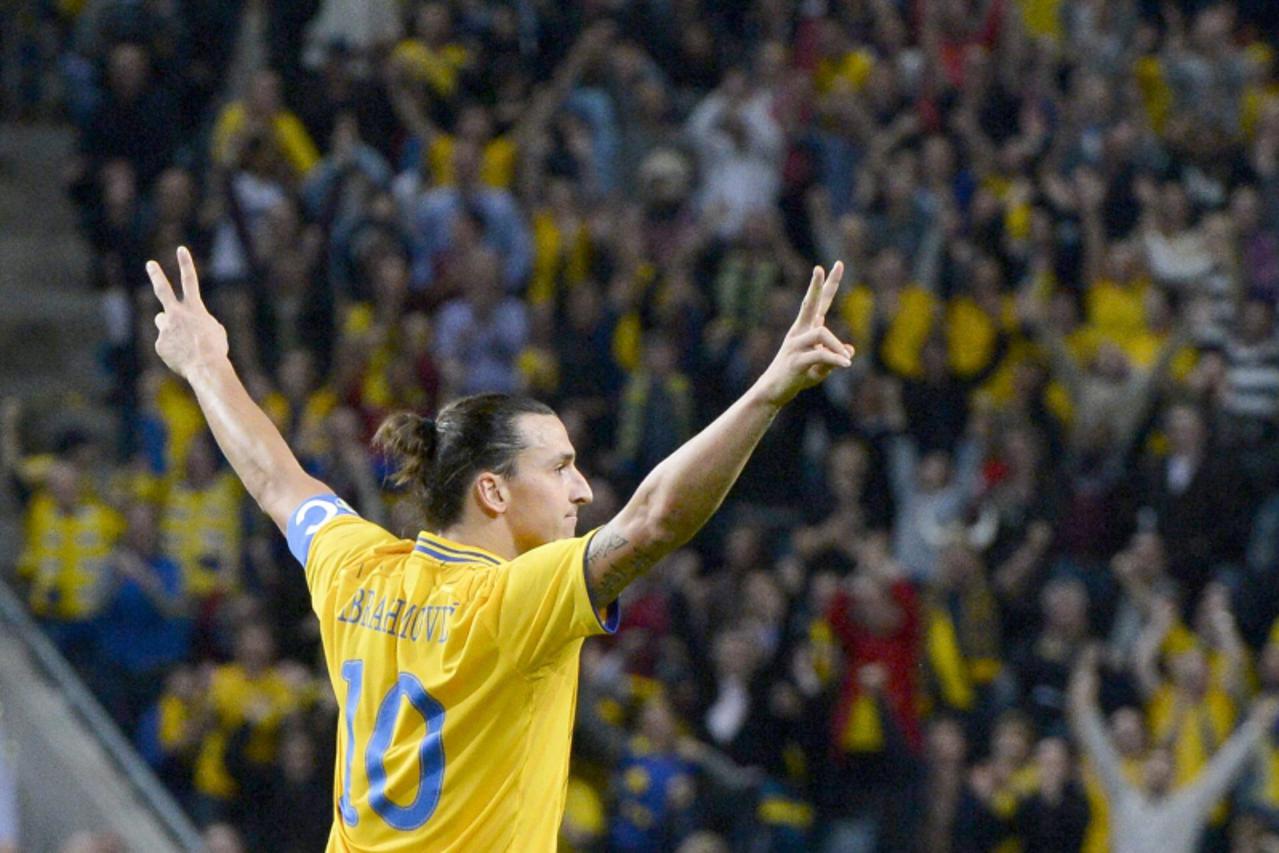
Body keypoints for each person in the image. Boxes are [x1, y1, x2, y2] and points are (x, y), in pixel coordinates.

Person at [146, 246, 855, 850]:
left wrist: (205, 363)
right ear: (491, 491)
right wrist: (768, 391)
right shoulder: (512, 601)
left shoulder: (356, 566)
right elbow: (654, 520)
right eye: (559, 467)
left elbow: (277, 480)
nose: (581, 488)